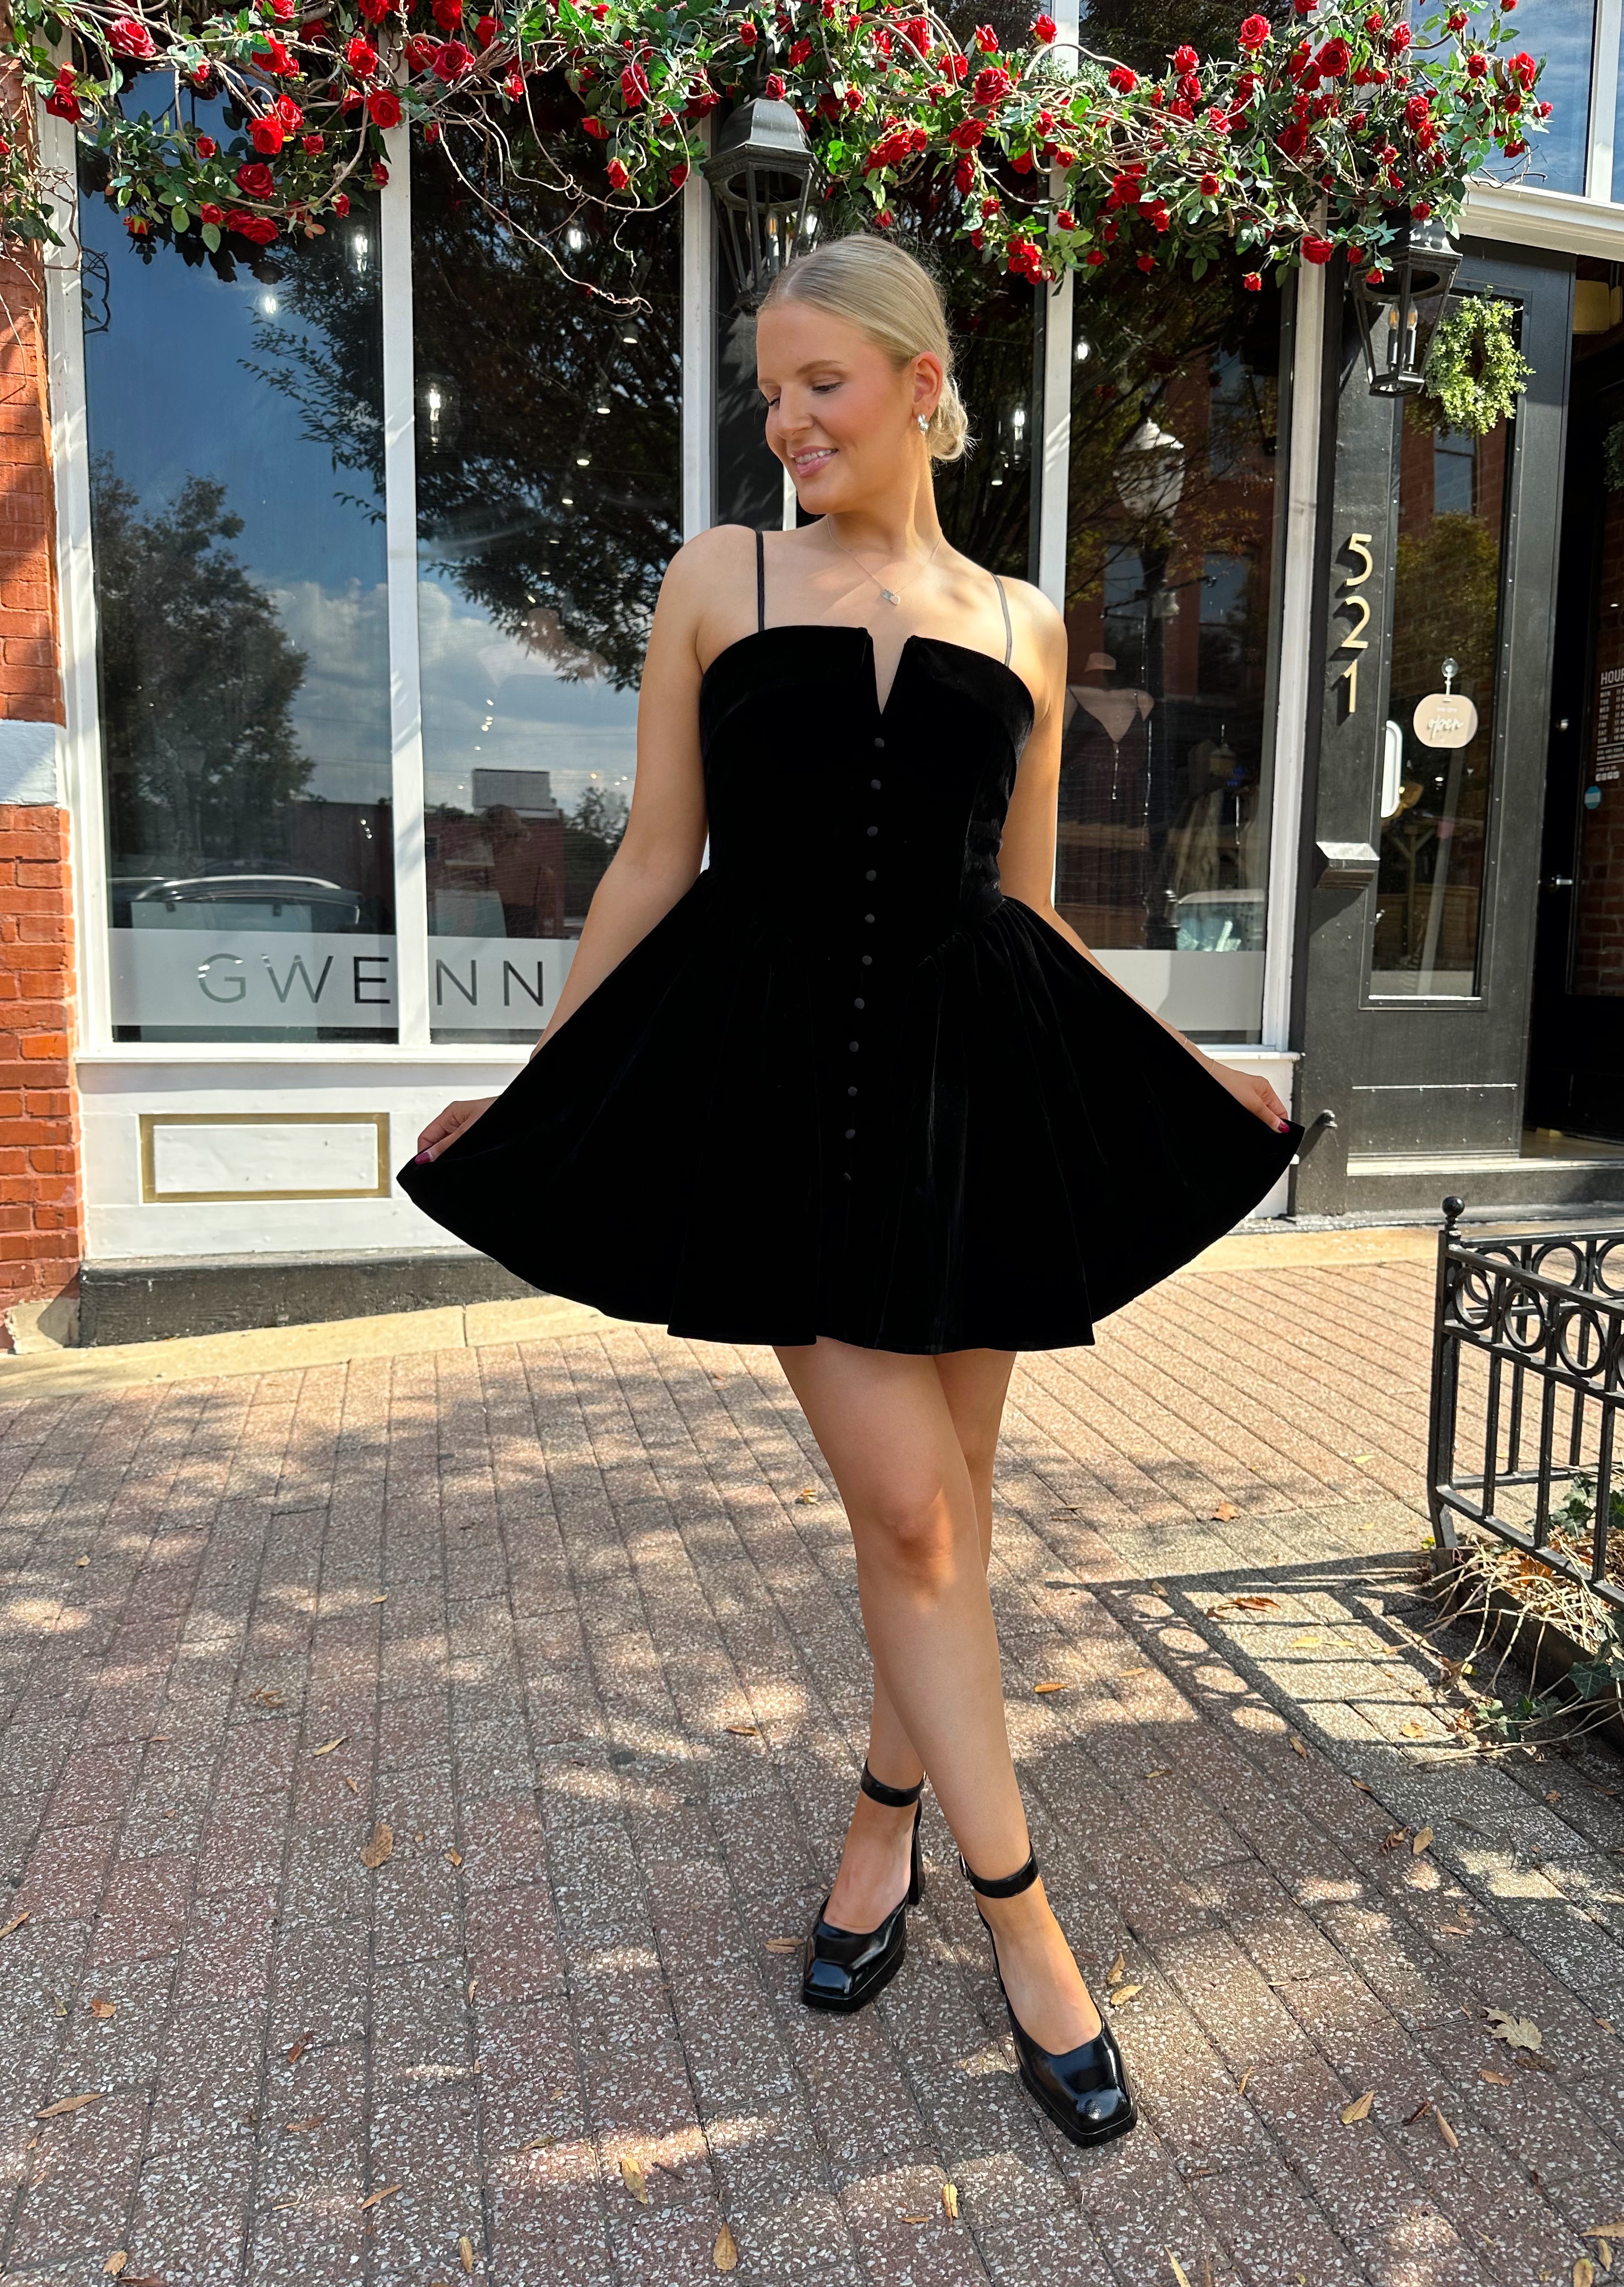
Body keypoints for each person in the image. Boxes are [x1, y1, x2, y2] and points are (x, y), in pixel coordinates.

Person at [400, 233, 1300, 2150]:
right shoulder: (715, 579)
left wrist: (1172, 1068)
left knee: (948, 1526)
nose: (789, 421)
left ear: (920, 381)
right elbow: (655, 858)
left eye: (822, 383)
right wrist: (545, 1088)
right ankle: (1032, 1928)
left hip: (977, 1096)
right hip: (780, 1100)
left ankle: (879, 1828)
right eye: (772, 390)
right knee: (910, 1514)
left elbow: (1034, 908)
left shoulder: (1027, 621)